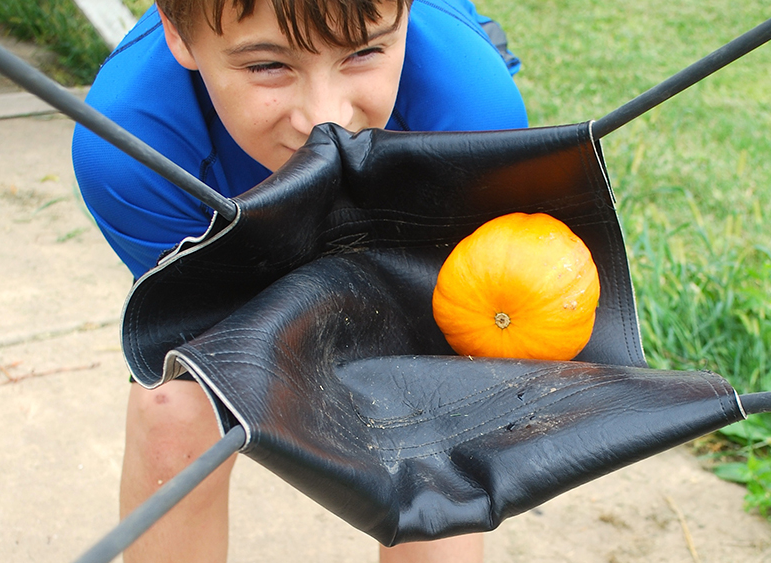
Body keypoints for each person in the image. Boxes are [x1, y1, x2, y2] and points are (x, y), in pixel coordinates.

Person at [70, 0, 529, 561]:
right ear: (176, 33)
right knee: (171, 407)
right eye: (268, 66)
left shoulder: (472, 114)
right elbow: (222, 330)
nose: (325, 119)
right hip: (205, 190)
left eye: (363, 52)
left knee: (438, 420)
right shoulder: (130, 153)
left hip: (425, 141)